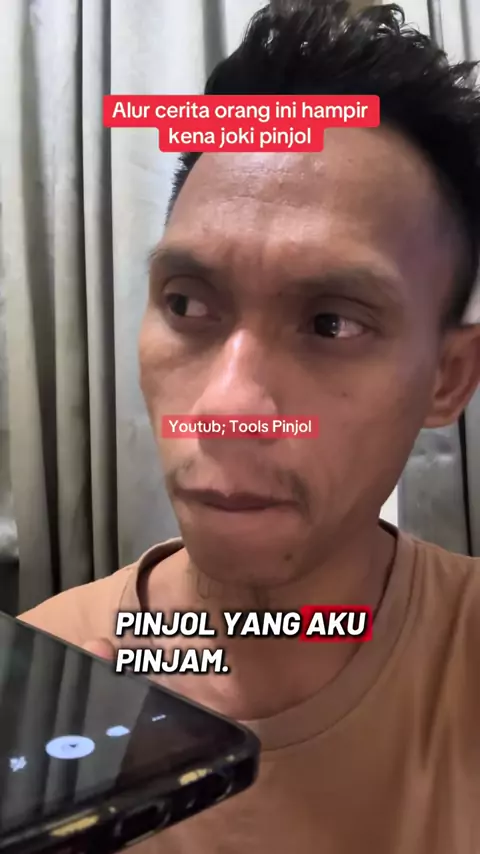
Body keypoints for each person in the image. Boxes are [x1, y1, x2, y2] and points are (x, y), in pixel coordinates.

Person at [19, 1, 480, 851]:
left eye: (332, 323)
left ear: (447, 378)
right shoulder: (37, 686)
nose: (225, 408)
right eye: (188, 304)